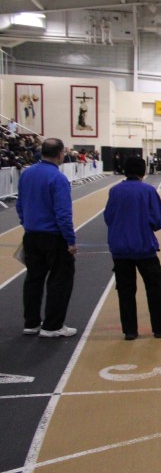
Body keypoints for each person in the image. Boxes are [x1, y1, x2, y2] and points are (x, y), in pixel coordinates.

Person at [104, 156, 161, 340]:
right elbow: (158, 219)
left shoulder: (114, 191)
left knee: (125, 291)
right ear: (143, 171)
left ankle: (130, 331)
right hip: (143, 247)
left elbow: (108, 217)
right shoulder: (148, 191)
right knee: (154, 289)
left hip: (120, 249)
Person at [17, 137, 78, 338]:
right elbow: (63, 213)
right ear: (60, 154)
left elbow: (20, 205)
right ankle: (52, 326)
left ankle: (31, 323)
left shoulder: (26, 174)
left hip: (31, 235)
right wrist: (70, 240)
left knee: (33, 279)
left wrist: (27, 223)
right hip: (54, 236)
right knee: (60, 279)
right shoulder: (58, 178)